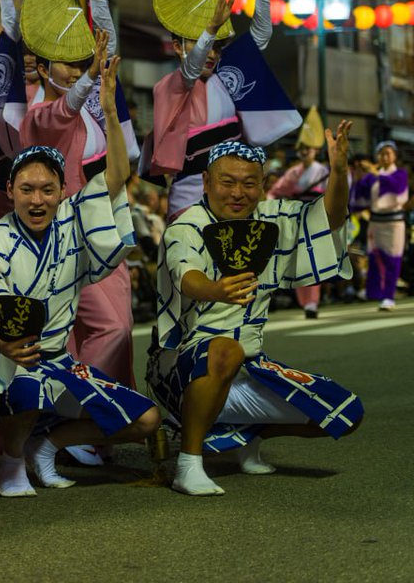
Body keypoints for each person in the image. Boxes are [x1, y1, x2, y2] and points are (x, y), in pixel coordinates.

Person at [0, 49, 160, 497]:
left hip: (60, 363)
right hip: (9, 361)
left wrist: (109, 109)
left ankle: (48, 445)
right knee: (25, 386)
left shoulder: (72, 217)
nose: (37, 200)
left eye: (47, 190)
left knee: (146, 420)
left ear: (61, 192)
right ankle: (12, 461)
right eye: (27, 189)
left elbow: (117, 175)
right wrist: (1, 341)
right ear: (10, 190)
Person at [148, 132, 363, 496]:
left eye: (249, 183)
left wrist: (339, 172)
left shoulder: (272, 218)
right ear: (206, 182)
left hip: (250, 364)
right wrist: (216, 289)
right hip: (182, 366)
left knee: (344, 413)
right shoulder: (187, 225)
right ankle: (189, 462)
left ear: (263, 185)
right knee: (225, 350)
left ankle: (244, 436)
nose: (238, 193)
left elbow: (329, 216)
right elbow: (186, 275)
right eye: (227, 182)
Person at [19, 0, 138, 397]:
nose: (75, 71)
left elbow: (106, 56)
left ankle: (100, 415)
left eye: (79, 62)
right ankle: (76, 412)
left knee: (119, 328)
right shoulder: (38, 116)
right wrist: (89, 77)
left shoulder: (93, 105)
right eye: (66, 63)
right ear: (43, 67)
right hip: (62, 237)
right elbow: (65, 107)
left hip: (104, 224)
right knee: (73, 334)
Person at [145, 0, 299, 219]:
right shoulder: (171, 86)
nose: (212, 53)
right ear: (177, 46)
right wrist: (211, 29)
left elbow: (261, 36)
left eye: (217, 46)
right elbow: (191, 69)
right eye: (203, 44)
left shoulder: (228, 75)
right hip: (189, 201)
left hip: (234, 199)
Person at [269, 138, 330, 318]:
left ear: (315, 150)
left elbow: (332, 193)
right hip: (296, 217)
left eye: (308, 148)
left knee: (313, 259)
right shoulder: (293, 172)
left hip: (315, 216)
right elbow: (275, 191)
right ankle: (305, 301)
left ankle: (312, 302)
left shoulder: (323, 171)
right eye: (301, 148)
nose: (304, 151)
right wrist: (272, 205)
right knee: (299, 260)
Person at [351, 141, 408, 311]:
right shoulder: (372, 176)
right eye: (381, 153)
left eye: (388, 153)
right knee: (375, 258)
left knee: (392, 259)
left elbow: (396, 188)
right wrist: (359, 179)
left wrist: (375, 173)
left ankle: (388, 296)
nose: (384, 157)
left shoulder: (400, 174)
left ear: (395, 156)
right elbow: (360, 200)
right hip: (375, 222)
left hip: (393, 222)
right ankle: (374, 292)